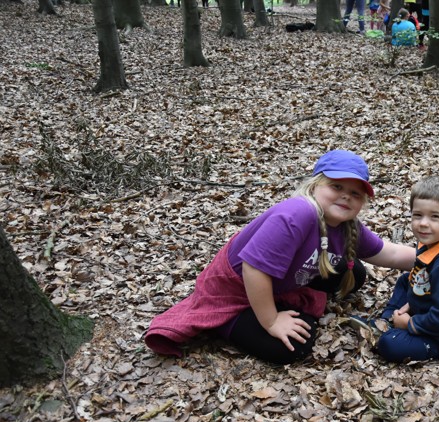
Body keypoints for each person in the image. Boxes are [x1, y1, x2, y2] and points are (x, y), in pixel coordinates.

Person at [144, 150, 416, 365]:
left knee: (354, 272)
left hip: (280, 281)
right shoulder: (297, 214)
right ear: (314, 185)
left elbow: (388, 253)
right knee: (294, 344)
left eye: (355, 193)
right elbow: (253, 269)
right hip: (234, 292)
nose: (346, 196)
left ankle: (277, 306)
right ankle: (226, 323)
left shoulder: (348, 226)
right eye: (336, 186)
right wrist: (272, 321)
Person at [352, 176, 439, 362]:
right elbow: (420, 280)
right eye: (417, 215)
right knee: (406, 280)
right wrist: (410, 305)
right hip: (436, 307)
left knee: (390, 345)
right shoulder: (431, 242)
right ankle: (388, 320)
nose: (423, 223)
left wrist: (409, 323)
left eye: (435, 217)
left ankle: (425, 343)